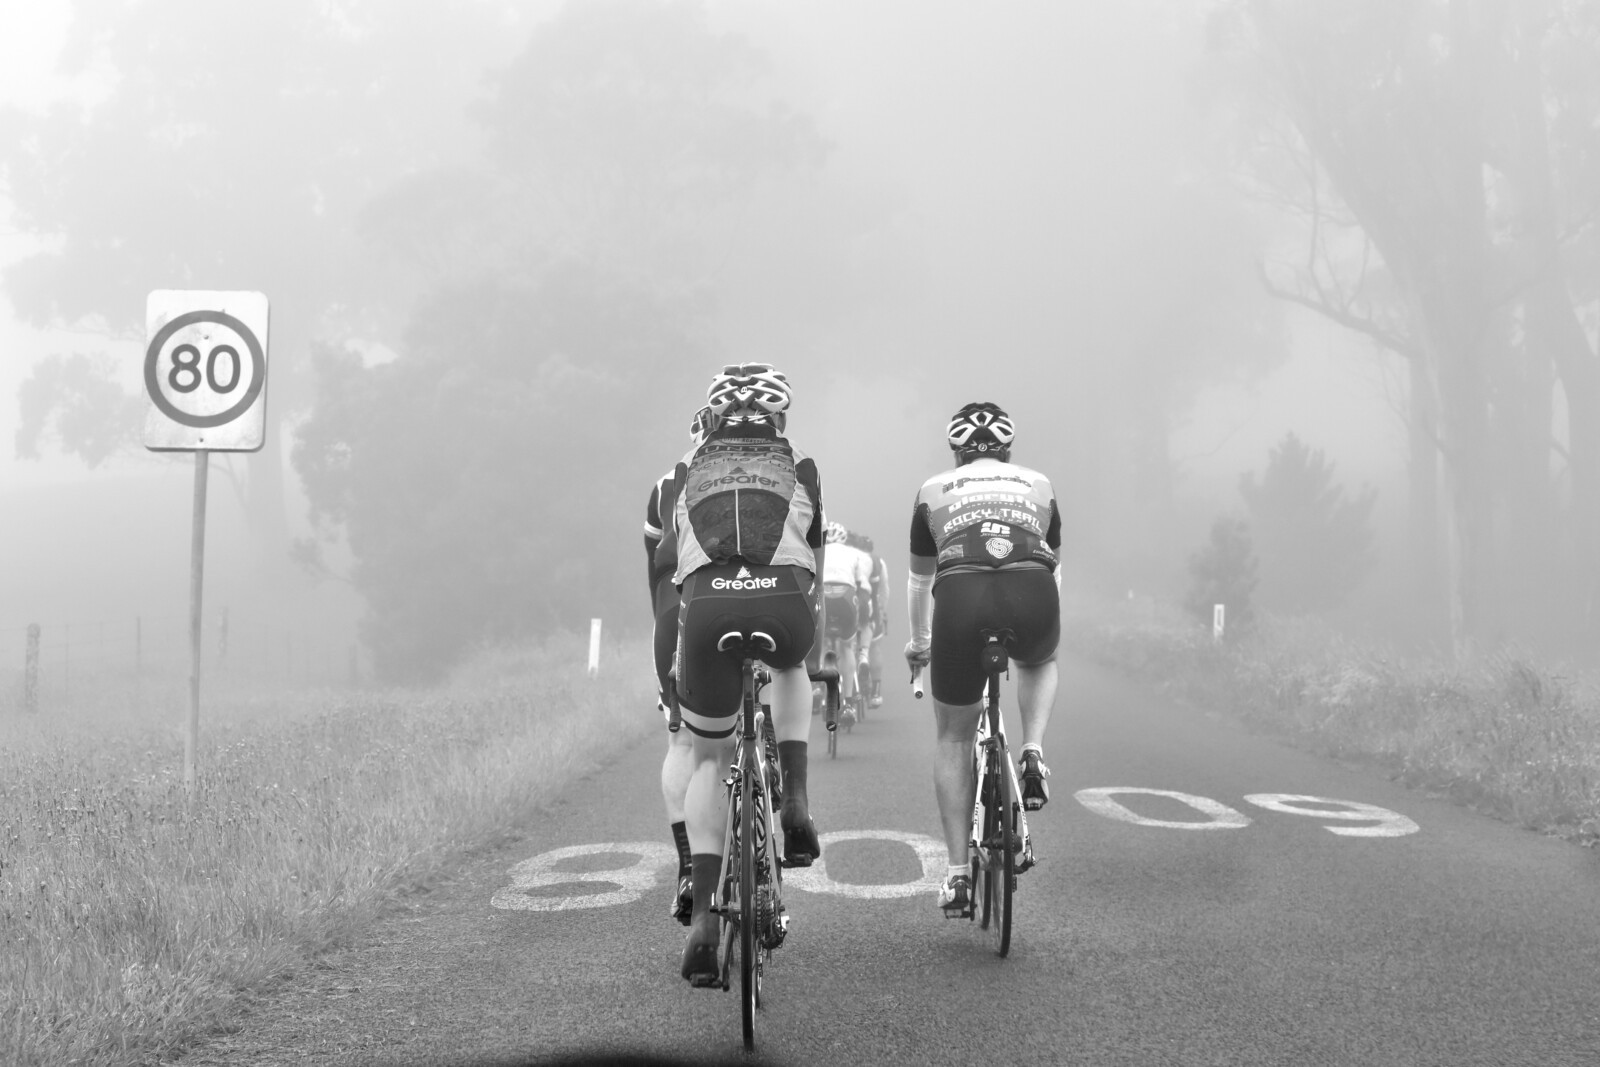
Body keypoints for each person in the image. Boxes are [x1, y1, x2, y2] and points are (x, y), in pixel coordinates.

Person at [657, 362, 826, 982]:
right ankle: (798, 804)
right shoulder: (802, 465)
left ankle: (703, 913)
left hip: (707, 610)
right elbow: (816, 566)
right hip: (782, 598)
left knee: (706, 759)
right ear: (778, 417)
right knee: (789, 667)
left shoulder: (683, 472)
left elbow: (668, 573)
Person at [904, 401, 1061, 917]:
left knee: (952, 736)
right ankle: (1033, 749)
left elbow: (919, 581)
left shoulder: (932, 490)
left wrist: (920, 643)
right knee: (1040, 659)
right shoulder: (1039, 483)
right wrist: (1042, 622)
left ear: (957, 453)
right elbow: (1053, 566)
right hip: (1032, 588)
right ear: (1007, 450)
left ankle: (955, 875)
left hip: (960, 596)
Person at [642, 405, 717, 926]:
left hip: (678, 610)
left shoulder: (666, 482)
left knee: (684, 742)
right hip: (757, 601)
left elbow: (654, 570)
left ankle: (690, 866)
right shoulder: (774, 467)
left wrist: (666, 634)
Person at [820, 520, 874, 723]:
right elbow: (864, 586)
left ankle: (818, 688)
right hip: (846, 597)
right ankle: (849, 703)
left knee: (821, 642)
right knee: (847, 647)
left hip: (823, 594)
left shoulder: (818, 550)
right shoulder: (856, 554)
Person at [845, 529, 890, 708]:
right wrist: (882, 611)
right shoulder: (876, 561)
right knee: (874, 645)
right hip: (868, 605)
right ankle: (876, 693)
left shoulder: (843, 557)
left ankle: (822, 684)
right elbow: (883, 590)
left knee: (841, 643)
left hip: (842, 601)